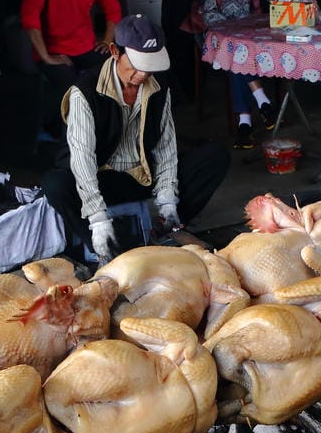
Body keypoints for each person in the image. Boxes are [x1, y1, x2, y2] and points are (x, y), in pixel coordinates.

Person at [41, 14, 229, 263]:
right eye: (137, 64)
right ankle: (102, 245)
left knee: (215, 157)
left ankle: (165, 226)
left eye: (149, 65)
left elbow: (165, 146)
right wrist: (97, 218)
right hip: (100, 179)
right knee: (56, 185)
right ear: (114, 51)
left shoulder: (159, 84)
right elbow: (82, 158)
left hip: (141, 175)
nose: (143, 73)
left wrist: (168, 200)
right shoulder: (85, 92)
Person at [187, 0, 285, 149]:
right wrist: (232, 30)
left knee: (237, 53)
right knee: (233, 50)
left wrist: (292, 0)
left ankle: (245, 122)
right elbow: (207, 6)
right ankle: (261, 101)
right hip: (212, 31)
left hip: (248, 30)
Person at [21, 0, 122, 126]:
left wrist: (108, 40)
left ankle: (112, 134)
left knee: (118, 72)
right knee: (74, 91)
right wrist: (47, 57)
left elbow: (113, 9)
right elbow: (29, 18)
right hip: (53, 50)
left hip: (84, 46)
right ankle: (68, 141)